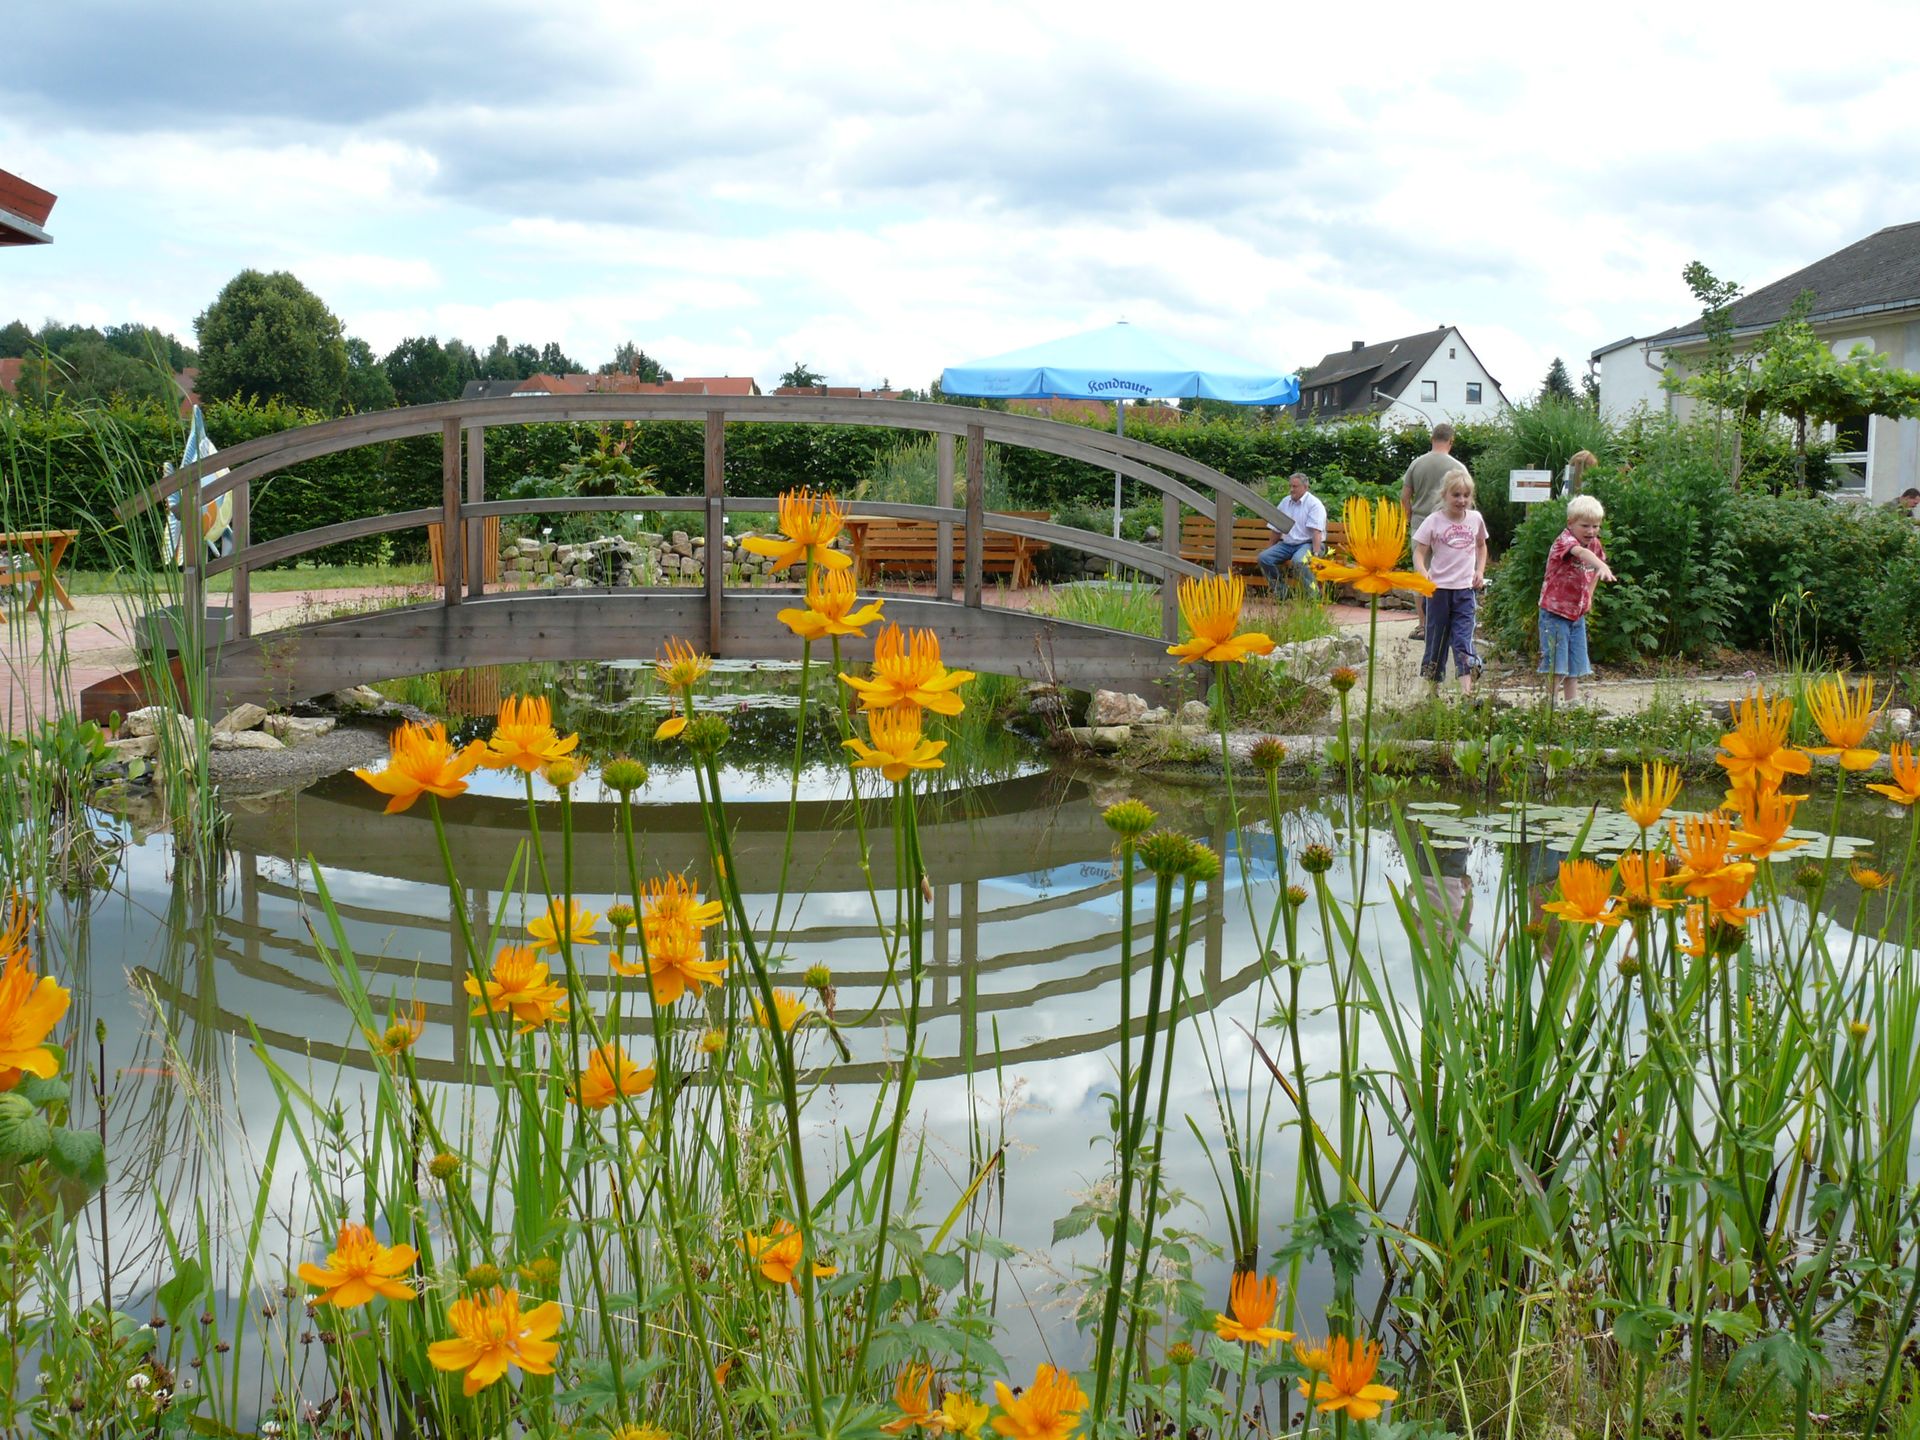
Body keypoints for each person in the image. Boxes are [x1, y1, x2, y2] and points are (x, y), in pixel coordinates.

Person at [1411, 466, 1489, 695]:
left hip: (1464, 591)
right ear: (1444, 495)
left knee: (1463, 639)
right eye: (1456, 495)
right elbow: (1419, 551)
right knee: (1437, 639)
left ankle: (1467, 692)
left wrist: (1480, 571)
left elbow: (1482, 546)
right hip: (1438, 591)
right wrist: (1422, 571)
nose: (1461, 500)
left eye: (1466, 495)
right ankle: (1432, 690)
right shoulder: (1434, 521)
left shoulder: (1475, 519)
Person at [1538, 494, 1616, 705]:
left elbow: (1594, 572)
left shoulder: (1595, 544)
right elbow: (1581, 553)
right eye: (1585, 526)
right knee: (1557, 659)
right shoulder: (1565, 541)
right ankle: (1550, 702)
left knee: (1575, 660)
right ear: (1570, 523)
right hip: (1555, 611)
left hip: (1576, 612)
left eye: (1595, 526)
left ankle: (1571, 702)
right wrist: (1601, 565)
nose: (1591, 531)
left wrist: (1589, 594)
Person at [1399, 423, 1456, 638]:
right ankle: (1443, 623)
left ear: (1432, 439)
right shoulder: (1457, 467)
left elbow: (1405, 497)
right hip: (1446, 526)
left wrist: (1409, 517)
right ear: (1451, 441)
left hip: (1420, 524)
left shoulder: (1416, 464)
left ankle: (1423, 625)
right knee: (1445, 572)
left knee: (1420, 572)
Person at [1257, 472, 1326, 596]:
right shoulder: (1285, 502)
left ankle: (1313, 596)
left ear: (1305, 487)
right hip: (1287, 544)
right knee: (1264, 558)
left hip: (1308, 544)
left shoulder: (1314, 504)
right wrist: (1270, 548)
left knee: (1299, 561)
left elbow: (1317, 531)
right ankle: (1282, 592)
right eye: (1290, 486)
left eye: (1295, 486)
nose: (1291, 490)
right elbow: (1276, 528)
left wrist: (1315, 556)